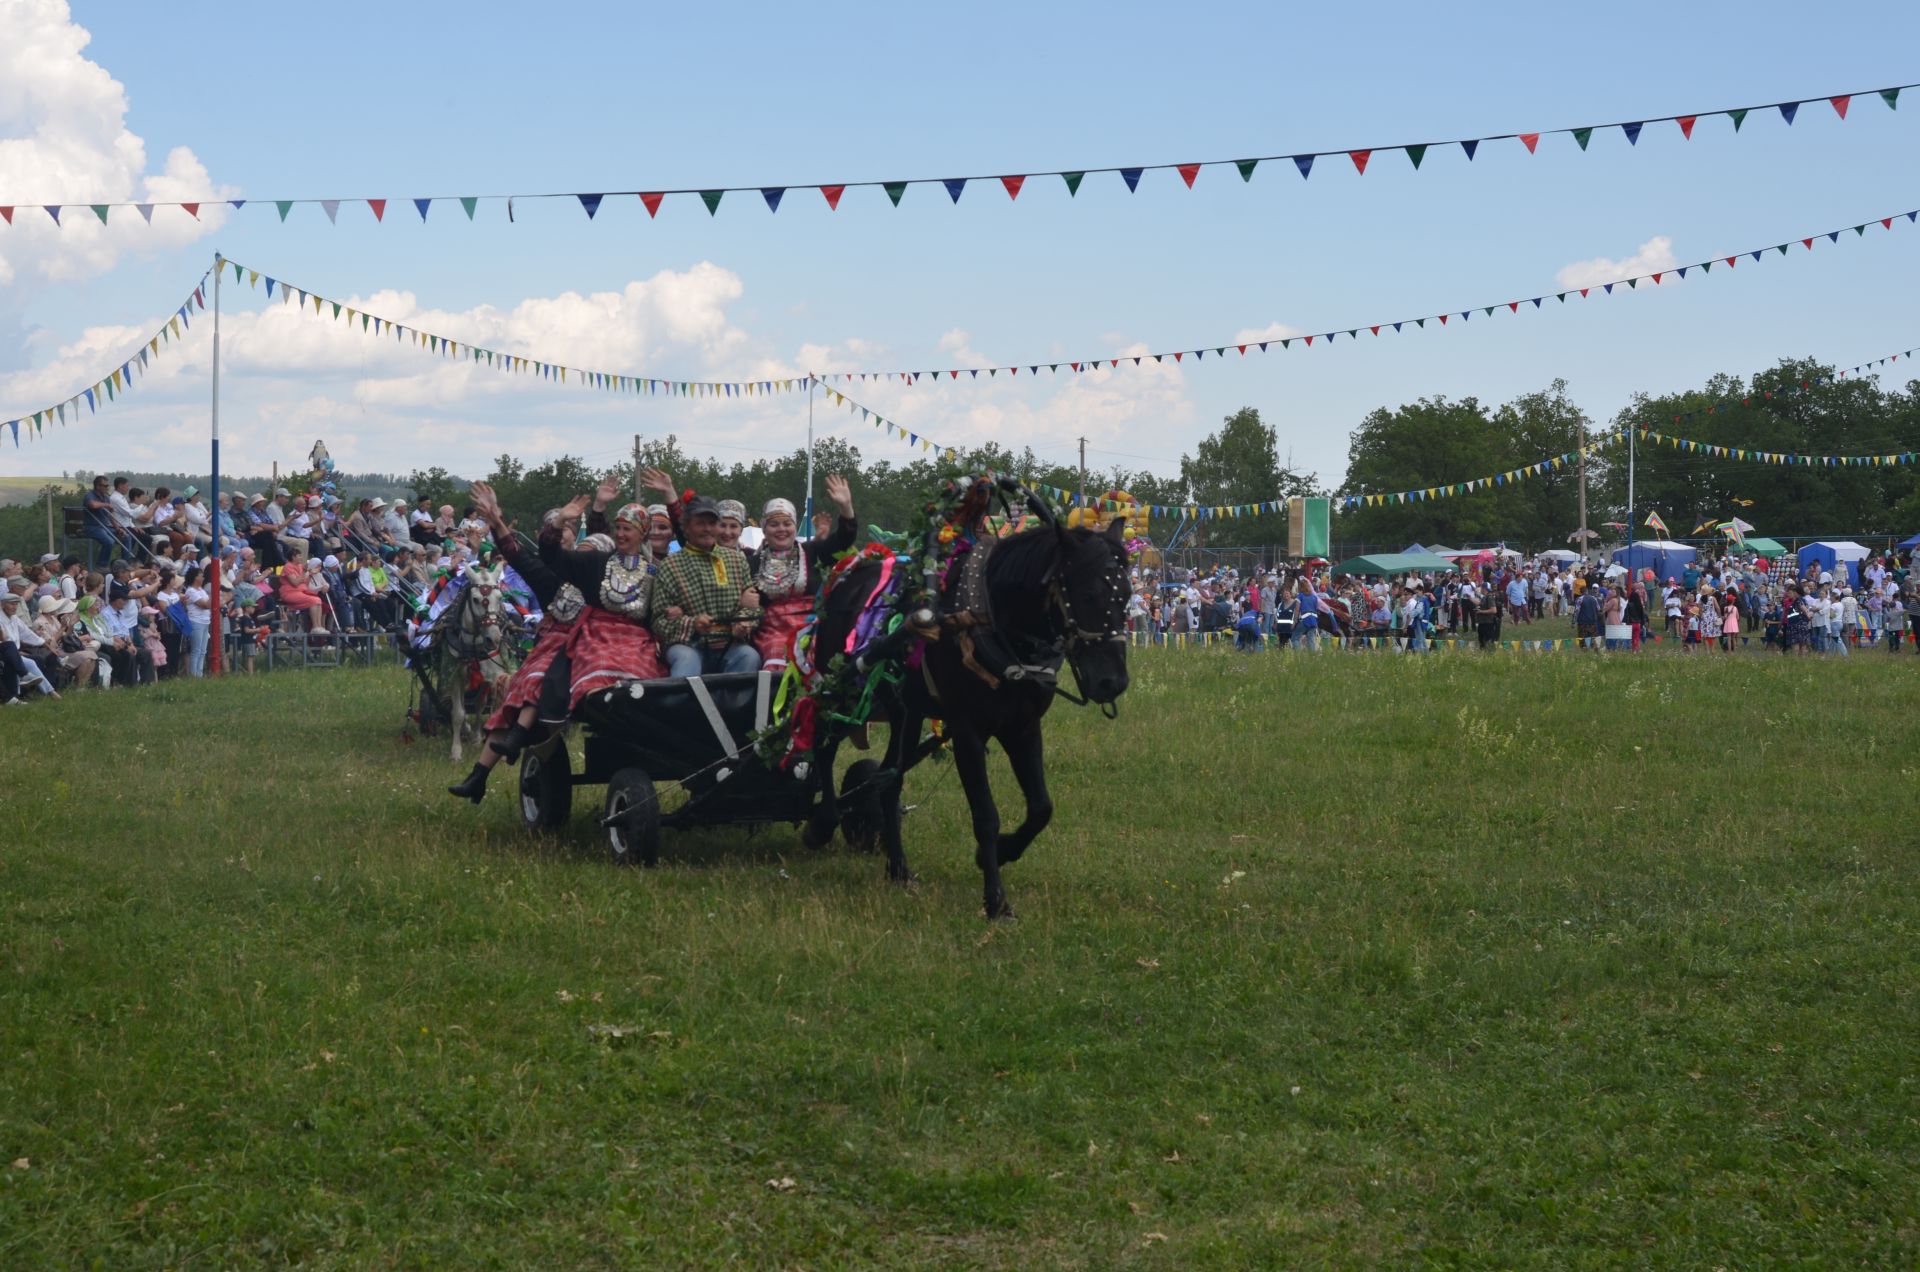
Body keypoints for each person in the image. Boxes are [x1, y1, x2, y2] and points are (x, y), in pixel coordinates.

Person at [749, 474, 856, 666]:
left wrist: (845, 507)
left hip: (812, 627)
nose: (781, 529)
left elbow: (844, 539)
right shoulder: (752, 563)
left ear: (794, 526)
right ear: (764, 529)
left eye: (787, 523)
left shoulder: (812, 552)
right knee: (777, 651)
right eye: (774, 524)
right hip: (772, 632)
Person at [653, 495, 762, 677]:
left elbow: (753, 609)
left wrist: (744, 623)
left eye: (712, 523)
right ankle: (682, 705)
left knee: (749, 656)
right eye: (700, 523)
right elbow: (658, 621)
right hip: (688, 646)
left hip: (730, 645)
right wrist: (692, 623)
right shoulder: (670, 566)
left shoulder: (736, 560)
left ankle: (732, 705)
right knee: (687, 661)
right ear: (686, 527)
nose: (707, 529)